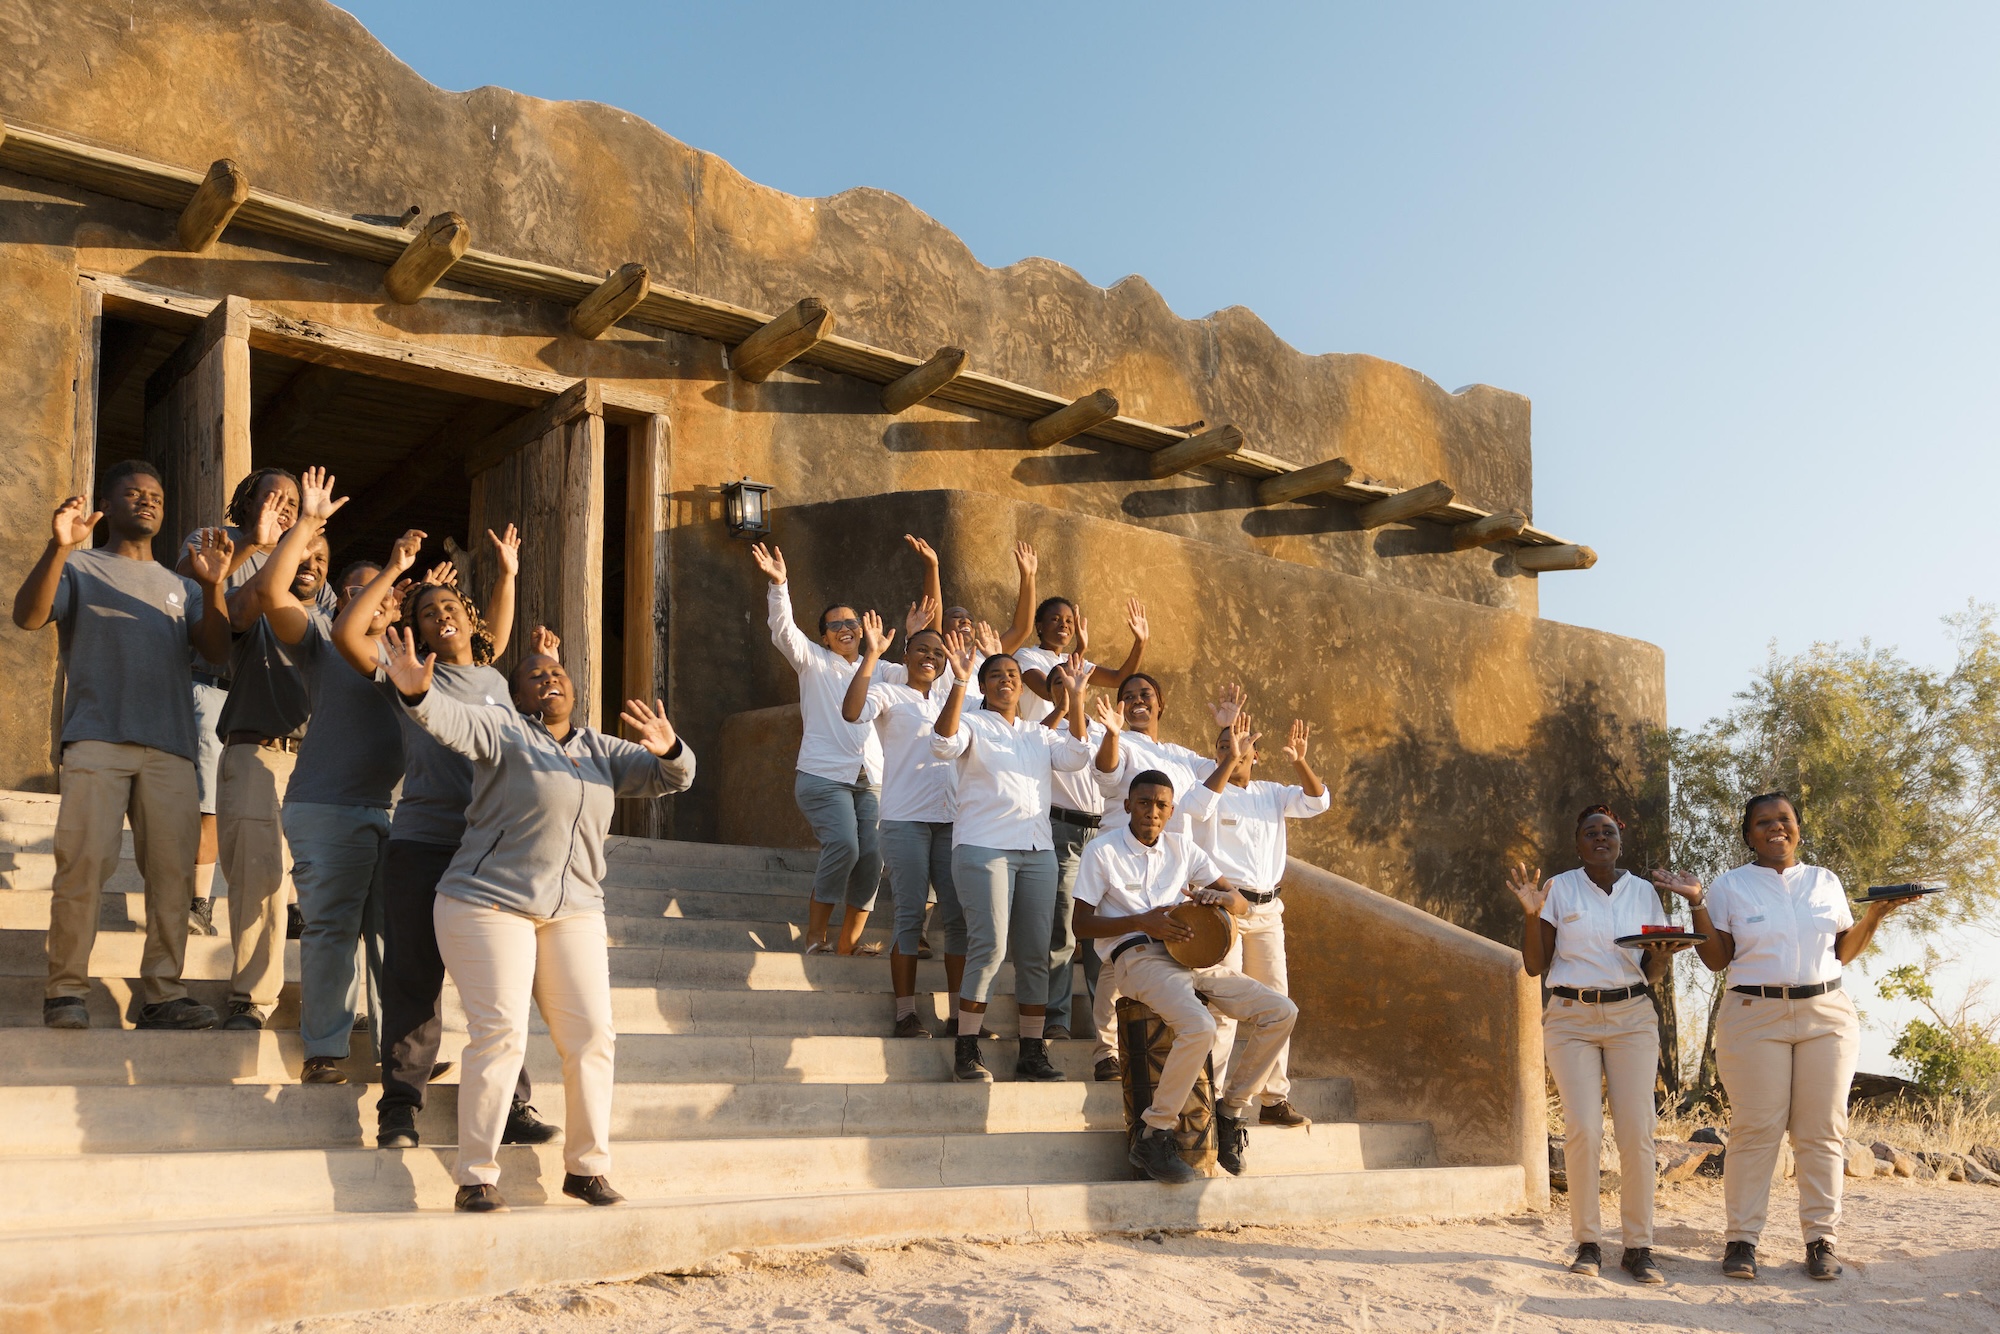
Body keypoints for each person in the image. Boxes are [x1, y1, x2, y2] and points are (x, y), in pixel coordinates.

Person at [379, 626, 694, 1212]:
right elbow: (452, 722)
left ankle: (587, 1169)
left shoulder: (601, 751)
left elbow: (673, 777)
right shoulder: (501, 729)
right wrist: (419, 695)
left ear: (574, 691)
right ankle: (475, 1175)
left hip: (573, 909)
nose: (549, 679)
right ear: (516, 696)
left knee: (594, 1036)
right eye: (534, 676)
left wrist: (670, 748)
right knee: (501, 1034)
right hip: (486, 902)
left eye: (558, 674)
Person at [331, 525, 555, 1151]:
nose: (440, 617)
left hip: (491, 850)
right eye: (428, 613)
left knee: (499, 986)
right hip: (424, 843)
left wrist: (508, 573)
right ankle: (399, 1109)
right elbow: (348, 634)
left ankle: (514, 1106)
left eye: (450, 607)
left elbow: (499, 636)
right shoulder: (407, 671)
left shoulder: (495, 682)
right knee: (413, 979)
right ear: (417, 630)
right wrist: (396, 565)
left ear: (468, 617)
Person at [11, 463, 235, 1030]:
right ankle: (65, 990)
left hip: (171, 748)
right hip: (96, 740)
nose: (147, 502)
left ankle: (162, 993)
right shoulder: (79, 566)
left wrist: (212, 588)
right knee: (82, 866)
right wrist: (56, 548)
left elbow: (214, 652)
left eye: (156, 496)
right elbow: (28, 616)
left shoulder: (181, 585)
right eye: (133, 493)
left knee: (171, 878)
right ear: (106, 505)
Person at [1653, 793, 1907, 1283]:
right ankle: (1742, 1240)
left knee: (1822, 1130)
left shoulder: (1825, 882)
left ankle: (1821, 1241)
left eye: (1784, 820)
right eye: (1763, 823)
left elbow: (1843, 951)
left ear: (1797, 829)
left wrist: (1875, 915)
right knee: (1756, 1129)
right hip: (1754, 1015)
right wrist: (1698, 903)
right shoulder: (1729, 887)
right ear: (1748, 835)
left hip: (1826, 1013)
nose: (1776, 829)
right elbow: (1716, 958)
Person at [231, 468, 404, 1081]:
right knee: (330, 928)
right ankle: (325, 1050)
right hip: (328, 806)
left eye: (384, 593)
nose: (373, 598)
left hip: (393, 812)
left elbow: (482, 654)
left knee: (391, 935)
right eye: (357, 589)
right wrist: (306, 523)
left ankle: (400, 1053)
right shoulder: (322, 638)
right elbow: (274, 596)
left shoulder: (409, 661)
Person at [1071, 769, 1299, 1184]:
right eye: (1143, 803)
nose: (1152, 812)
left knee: (1280, 1011)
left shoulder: (1182, 846)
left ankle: (1230, 1113)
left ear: (1171, 811)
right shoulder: (1102, 852)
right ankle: (1154, 1134)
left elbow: (1241, 903)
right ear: (1127, 806)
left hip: (1192, 956)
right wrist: (1143, 922)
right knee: (1199, 1026)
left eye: (1161, 805)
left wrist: (1219, 897)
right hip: (1138, 958)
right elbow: (1081, 926)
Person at [1510, 804, 1697, 1285]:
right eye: (1590, 832)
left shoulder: (1643, 893)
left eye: (1607, 832)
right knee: (1585, 1129)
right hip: (1570, 1017)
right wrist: (1532, 915)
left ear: (1620, 840)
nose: (1599, 838)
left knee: (1637, 1131)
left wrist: (1662, 955)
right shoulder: (1558, 889)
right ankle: (1588, 1242)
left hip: (1632, 1015)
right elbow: (1535, 965)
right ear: (1578, 843)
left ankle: (1639, 1247)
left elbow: (1651, 972)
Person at [751, 540, 929, 956]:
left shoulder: (881, 669)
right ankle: (817, 934)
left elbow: (919, 676)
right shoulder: (812, 661)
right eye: (835, 625)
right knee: (845, 846)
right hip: (822, 777)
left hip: (871, 780)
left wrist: (916, 634)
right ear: (825, 638)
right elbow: (783, 630)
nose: (845, 627)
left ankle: (848, 944)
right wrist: (780, 585)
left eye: (851, 620)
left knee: (872, 856)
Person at [930, 636, 1094, 1082]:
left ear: (1023, 688)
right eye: (997, 674)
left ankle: (1031, 1052)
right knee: (990, 947)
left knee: (1034, 954)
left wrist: (1075, 698)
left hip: (1039, 852)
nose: (1007, 680)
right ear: (984, 685)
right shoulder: (972, 723)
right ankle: (967, 1048)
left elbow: (1078, 756)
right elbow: (943, 745)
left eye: (1014, 676)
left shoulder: (1038, 733)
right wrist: (960, 681)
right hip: (983, 847)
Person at [211, 479, 341, 1030]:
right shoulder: (260, 606)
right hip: (257, 754)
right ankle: (253, 1000)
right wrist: (303, 527)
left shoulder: (339, 628)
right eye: (301, 552)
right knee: (260, 883)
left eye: (320, 556)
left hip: (319, 769)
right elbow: (253, 600)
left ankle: (335, 1008)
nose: (309, 561)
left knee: (331, 896)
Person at [1183, 713, 1331, 1129]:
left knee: (1278, 999)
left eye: (1241, 745)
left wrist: (1301, 761)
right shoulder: (1208, 793)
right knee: (1225, 1005)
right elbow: (1195, 809)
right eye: (1222, 745)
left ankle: (1272, 1098)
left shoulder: (1273, 793)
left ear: (1258, 755)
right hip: (1223, 910)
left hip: (1268, 913)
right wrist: (1228, 760)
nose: (1232, 749)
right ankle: (1208, 1097)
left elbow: (1319, 801)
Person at [178, 466, 302, 938]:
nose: (284, 508)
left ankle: (293, 910)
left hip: (278, 705)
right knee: (208, 803)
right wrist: (252, 540)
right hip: (215, 688)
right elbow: (188, 578)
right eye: (274, 497)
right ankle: (198, 902)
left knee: (287, 809)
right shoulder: (215, 537)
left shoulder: (303, 557)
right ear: (248, 500)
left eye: (293, 502)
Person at [1082, 675, 1226, 1080]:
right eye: (1127, 697)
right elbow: (1107, 773)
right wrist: (1112, 733)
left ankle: (1155, 1047)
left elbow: (1217, 779)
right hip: (1121, 856)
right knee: (1115, 956)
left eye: (1144, 695)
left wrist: (1227, 731)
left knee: (1164, 956)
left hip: (1170, 863)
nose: (1136, 702)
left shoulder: (1182, 756)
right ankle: (1106, 1052)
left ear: (1161, 702)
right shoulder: (1120, 742)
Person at [841, 609, 964, 1037]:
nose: (930, 657)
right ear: (907, 654)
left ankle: (962, 1020)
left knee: (958, 919)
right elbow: (852, 710)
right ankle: (905, 1014)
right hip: (905, 821)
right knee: (910, 915)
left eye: (938, 654)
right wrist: (872, 657)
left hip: (951, 823)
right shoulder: (889, 694)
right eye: (922, 650)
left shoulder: (953, 701)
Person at [1038, 665, 1107, 1042]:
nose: (1066, 688)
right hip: (1062, 831)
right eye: (1058, 684)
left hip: (1104, 833)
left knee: (1100, 933)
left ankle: (1104, 1029)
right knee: (1062, 928)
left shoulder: (1107, 732)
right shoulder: (1043, 730)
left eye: (1073, 682)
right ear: (1049, 691)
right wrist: (1065, 710)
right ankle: (1057, 1018)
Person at [1016, 593, 1148, 723]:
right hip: (1044, 736)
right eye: (1055, 619)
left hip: (1074, 736)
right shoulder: (1026, 656)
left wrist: (1140, 643)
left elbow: (1118, 679)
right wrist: (1080, 649)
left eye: (1069, 621)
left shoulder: (1071, 659)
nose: (1064, 624)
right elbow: (1049, 692)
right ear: (1040, 626)